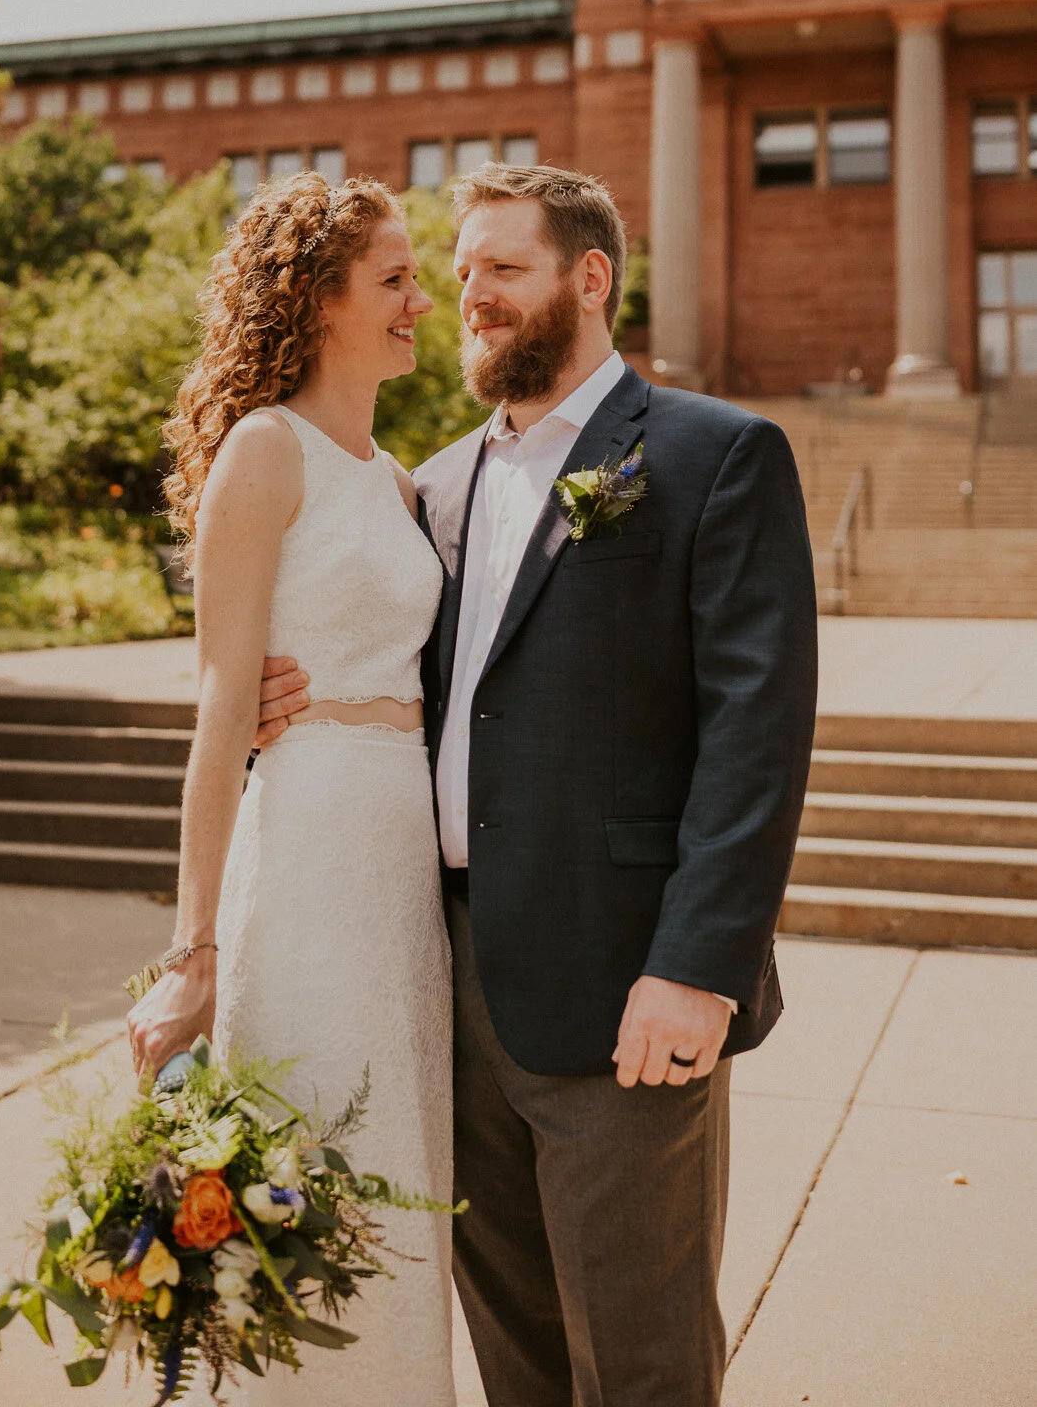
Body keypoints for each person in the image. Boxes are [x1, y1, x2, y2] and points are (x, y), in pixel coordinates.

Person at [257, 161, 818, 1407]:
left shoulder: (713, 454)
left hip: (628, 978)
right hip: (444, 974)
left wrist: (699, 965)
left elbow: (756, 732)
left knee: (639, 1352)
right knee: (513, 1341)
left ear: (589, 276)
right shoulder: (435, 483)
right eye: (459, 275)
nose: (469, 296)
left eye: (501, 269)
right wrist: (272, 693)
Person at [126, 171, 457, 1406]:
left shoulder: (405, 483)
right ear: (318, 299)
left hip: (403, 858)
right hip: (310, 840)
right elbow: (221, 710)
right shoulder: (265, 452)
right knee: (313, 1162)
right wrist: (189, 948)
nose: (423, 299)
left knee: (400, 1177)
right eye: (395, 279)